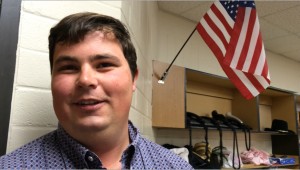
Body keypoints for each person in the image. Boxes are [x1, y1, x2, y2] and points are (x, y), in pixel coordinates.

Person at [0, 12, 193, 169]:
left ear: (134, 78)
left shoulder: (176, 167)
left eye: (104, 64)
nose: (85, 80)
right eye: (68, 67)